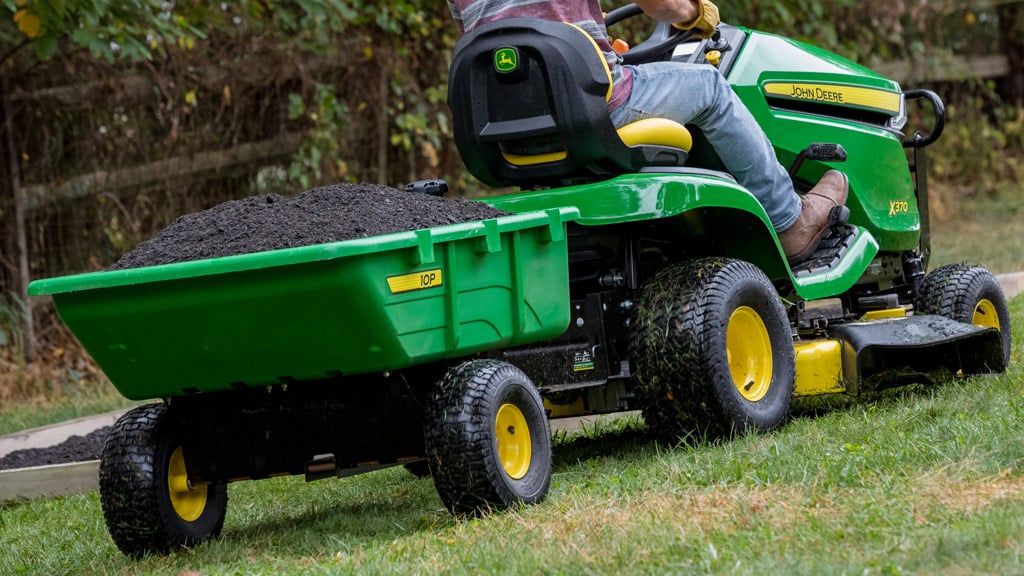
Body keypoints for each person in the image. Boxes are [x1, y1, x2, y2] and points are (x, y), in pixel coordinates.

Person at [446, 0, 849, 264]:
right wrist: (693, 13)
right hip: (598, 109)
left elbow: (499, 33)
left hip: (505, 129)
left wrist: (584, 56)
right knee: (709, 86)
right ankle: (788, 219)